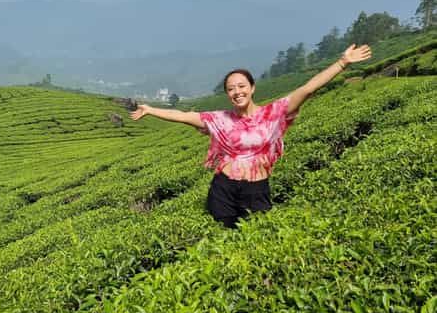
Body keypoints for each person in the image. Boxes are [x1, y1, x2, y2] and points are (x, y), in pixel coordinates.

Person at [130, 44, 372, 228]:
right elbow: (181, 115)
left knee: (258, 234)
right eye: (231, 89)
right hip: (223, 188)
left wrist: (342, 63)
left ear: (252, 88)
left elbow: (308, 88)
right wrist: (150, 110)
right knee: (221, 238)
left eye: (241, 86)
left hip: (257, 188)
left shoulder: (274, 113)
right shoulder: (220, 119)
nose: (237, 92)